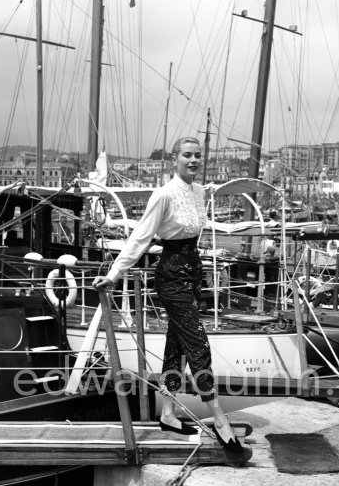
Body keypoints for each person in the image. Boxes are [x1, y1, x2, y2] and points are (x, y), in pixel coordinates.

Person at [93, 137, 245, 460]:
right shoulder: (163, 195)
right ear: (174, 159)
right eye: (186, 155)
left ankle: (168, 414)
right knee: (198, 345)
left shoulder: (199, 192)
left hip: (192, 274)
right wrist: (115, 273)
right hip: (172, 276)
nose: (193, 160)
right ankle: (219, 419)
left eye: (196, 156)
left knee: (177, 345)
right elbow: (140, 238)